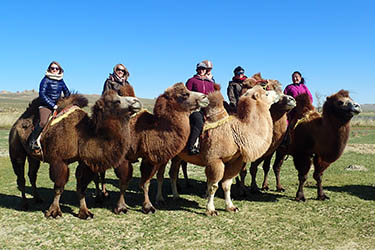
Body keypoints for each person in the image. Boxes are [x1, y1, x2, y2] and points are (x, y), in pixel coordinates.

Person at [28, 61, 71, 150]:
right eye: (52, 68)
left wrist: (65, 101)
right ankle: (32, 141)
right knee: (43, 122)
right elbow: (42, 95)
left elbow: (67, 92)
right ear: (49, 69)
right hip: (45, 106)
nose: (54, 70)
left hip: (58, 105)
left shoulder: (61, 81)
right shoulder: (45, 80)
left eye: (56, 68)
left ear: (59, 70)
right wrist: (52, 105)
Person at [185, 62, 215, 155]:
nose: (201, 71)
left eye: (203, 69)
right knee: (198, 122)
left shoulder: (210, 82)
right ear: (197, 70)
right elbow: (187, 94)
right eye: (200, 69)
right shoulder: (191, 80)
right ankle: (191, 146)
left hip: (208, 107)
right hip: (195, 107)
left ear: (206, 70)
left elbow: (212, 94)